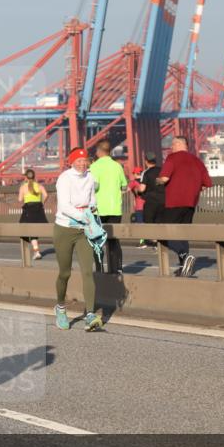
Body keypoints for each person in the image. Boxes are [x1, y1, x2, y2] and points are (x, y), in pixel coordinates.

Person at [52, 148, 103, 332]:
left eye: (85, 161)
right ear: (71, 162)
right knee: (65, 273)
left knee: (88, 271)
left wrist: (93, 211)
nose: (82, 164)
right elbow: (64, 206)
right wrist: (84, 216)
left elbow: (92, 199)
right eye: (78, 161)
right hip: (65, 228)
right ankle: (60, 308)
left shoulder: (90, 177)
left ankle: (90, 314)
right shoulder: (64, 178)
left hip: (84, 231)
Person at [157, 135, 212, 277]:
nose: (171, 147)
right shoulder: (197, 161)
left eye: (173, 145)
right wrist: (193, 190)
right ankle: (184, 267)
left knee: (163, 234)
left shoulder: (172, 158)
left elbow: (164, 179)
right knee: (182, 235)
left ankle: (184, 256)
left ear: (179, 144)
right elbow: (207, 184)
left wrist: (156, 181)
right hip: (191, 203)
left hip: (174, 202)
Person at [89, 140, 128, 274]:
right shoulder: (117, 166)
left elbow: (96, 186)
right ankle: (117, 268)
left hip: (98, 209)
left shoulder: (95, 166)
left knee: (97, 241)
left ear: (98, 151)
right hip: (115, 208)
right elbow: (124, 186)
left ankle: (100, 268)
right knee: (114, 240)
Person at [17, 168, 48, 259]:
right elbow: (46, 195)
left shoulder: (23, 187)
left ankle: (35, 251)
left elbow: (20, 200)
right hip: (39, 209)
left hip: (28, 210)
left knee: (24, 229)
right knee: (35, 230)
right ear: (34, 177)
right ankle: (36, 250)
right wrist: (42, 202)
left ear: (26, 177)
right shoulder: (39, 186)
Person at [138, 152, 165, 249]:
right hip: (163, 200)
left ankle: (153, 241)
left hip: (151, 201)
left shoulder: (146, 172)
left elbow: (142, 188)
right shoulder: (162, 170)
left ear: (146, 161)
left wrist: (137, 190)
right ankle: (160, 242)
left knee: (149, 222)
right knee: (160, 221)